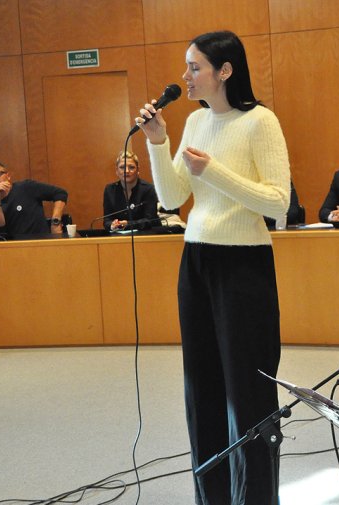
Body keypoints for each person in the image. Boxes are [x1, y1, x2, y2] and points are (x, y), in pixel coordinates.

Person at [134, 30, 290, 505]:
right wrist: (159, 144)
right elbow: (170, 198)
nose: (185, 77)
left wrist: (214, 172)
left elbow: (278, 201)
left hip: (243, 264)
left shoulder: (261, 122)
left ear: (225, 71)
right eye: (186, 67)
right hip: (196, 259)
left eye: (195, 67)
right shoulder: (197, 124)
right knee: (201, 392)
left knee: (249, 394)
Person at [0, 161, 68, 235]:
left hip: (40, 244)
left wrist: (55, 221)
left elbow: (60, 193)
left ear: (8, 176)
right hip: (12, 249)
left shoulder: (26, 188)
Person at [102, 151, 159, 231]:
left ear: (138, 170)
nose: (126, 171)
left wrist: (128, 224)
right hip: (118, 237)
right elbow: (107, 220)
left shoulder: (148, 189)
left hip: (146, 236)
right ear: (117, 171)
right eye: (122, 167)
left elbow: (151, 220)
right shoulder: (110, 190)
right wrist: (112, 225)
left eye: (131, 167)